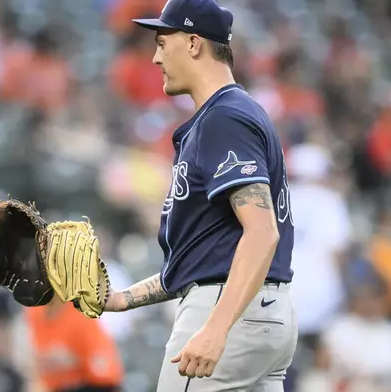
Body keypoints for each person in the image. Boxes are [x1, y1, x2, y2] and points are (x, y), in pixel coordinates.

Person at [100, 0, 298, 391]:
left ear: (193, 43)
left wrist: (216, 327)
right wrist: (123, 299)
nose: (156, 58)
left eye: (162, 43)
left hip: (228, 310)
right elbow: (206, 258)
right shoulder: (232, 114)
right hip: (261, 311)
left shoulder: (224, 117)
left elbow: (261, 233)